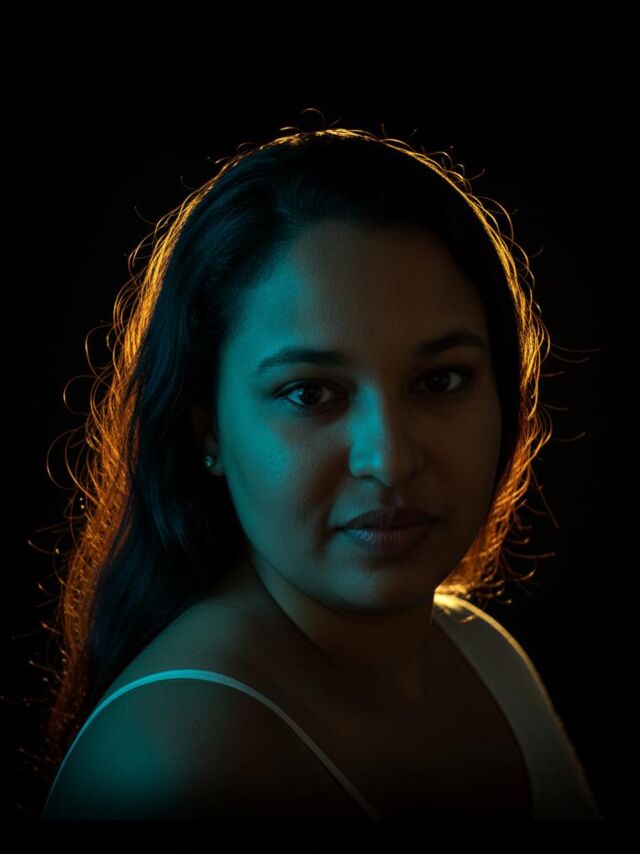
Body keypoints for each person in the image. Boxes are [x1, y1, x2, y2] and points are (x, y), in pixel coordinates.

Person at [37, 126, 603, 820]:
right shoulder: (178, 763)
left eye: (441, 380)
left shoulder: (484, 656)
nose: (389, 458)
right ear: (205, 427)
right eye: (310, 393)